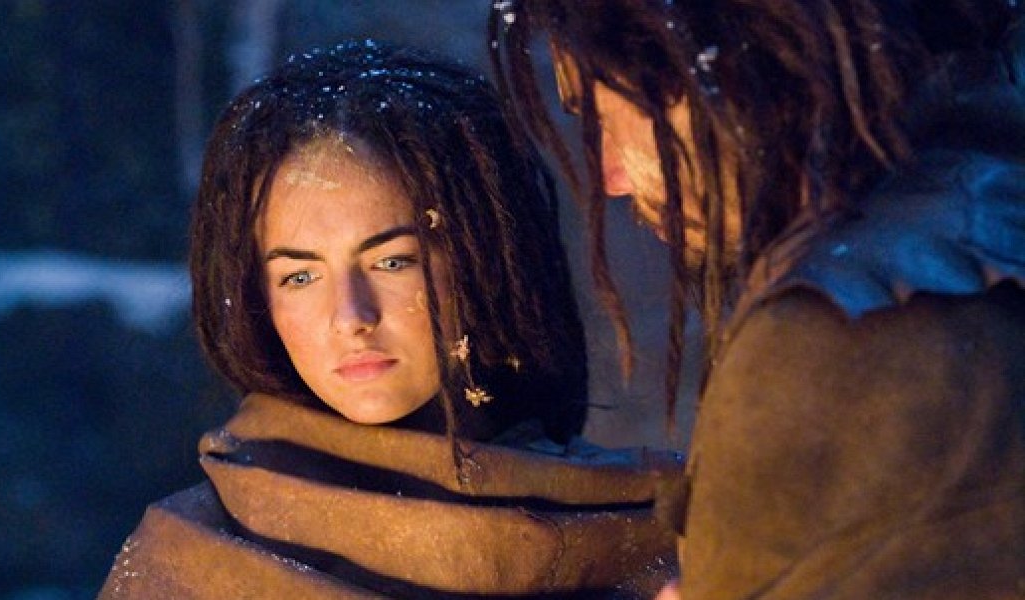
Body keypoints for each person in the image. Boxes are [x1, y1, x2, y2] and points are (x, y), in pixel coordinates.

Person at [99, 40, 680, 599]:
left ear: (488, 259)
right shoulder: (186, 568)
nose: (351, 317)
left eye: (393, 262)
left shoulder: (661, 537)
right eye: (299, 277)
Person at [490, 0, 1025, 597]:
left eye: (606, 118)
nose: (611, 177)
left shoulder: (829, 341)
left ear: (713, 67)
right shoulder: (986, 188)